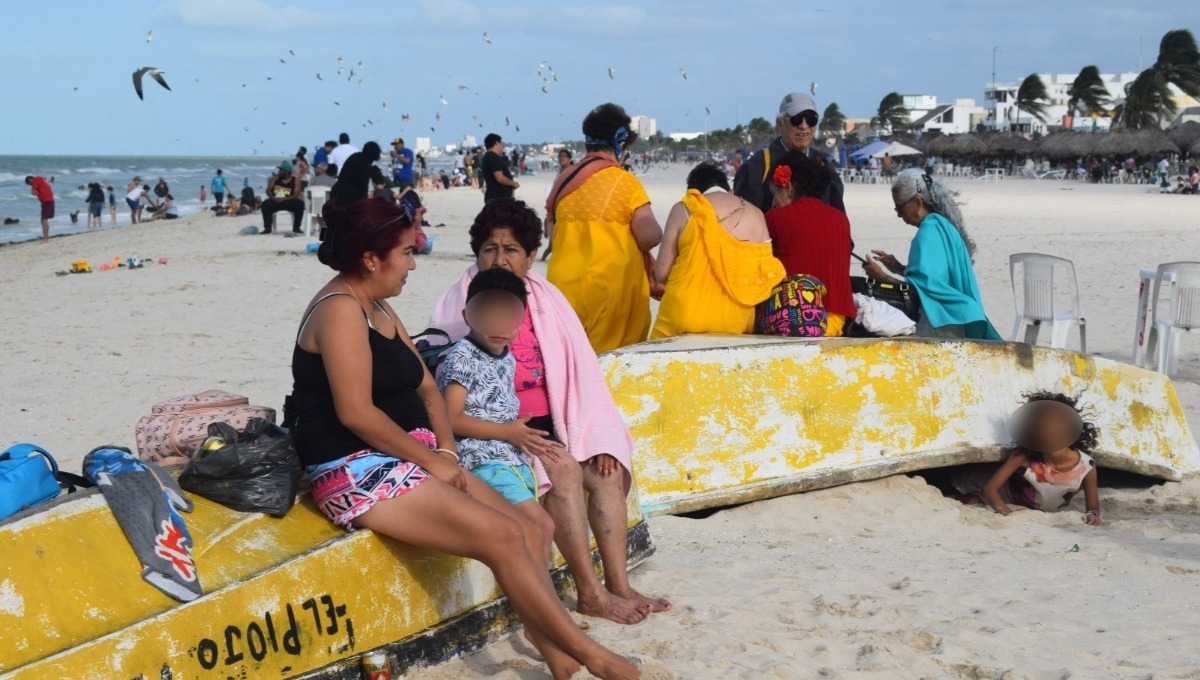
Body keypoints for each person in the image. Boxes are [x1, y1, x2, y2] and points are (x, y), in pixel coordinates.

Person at [290, 198, 640, 680]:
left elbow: (428, 387)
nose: (414, 263)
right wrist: (431, 460)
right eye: (406, 253)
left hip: (405, 454)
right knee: (501, 534)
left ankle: (561, 661)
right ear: (371, 259)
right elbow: (357, 414)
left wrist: (447, 452)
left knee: (530, 528)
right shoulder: (339, 311)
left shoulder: (379, 307)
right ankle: (592, 656)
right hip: (354, 469)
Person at [430, 199, 671, 625]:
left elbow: (581, 373)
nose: (499, 259)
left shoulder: (547, 298)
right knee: (563, 472)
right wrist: (511, 433)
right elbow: (450, 390)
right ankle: (590, 592)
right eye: (489, 249)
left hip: (559, 420)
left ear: (530, 255)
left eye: (511, 250)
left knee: (608, 473)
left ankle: (619, 584)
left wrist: (595, 436)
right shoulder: (461, 302)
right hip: (497, 433)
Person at [435, 267, 557, 562]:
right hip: (482, 461)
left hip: (509, 458)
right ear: (468, 316)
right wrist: (509, 432)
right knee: (539, 526)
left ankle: (536, 597)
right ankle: (539, 601)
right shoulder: (462, 357)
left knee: (534, 528)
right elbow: (449, 419)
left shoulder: (506, 355)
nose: (498, 325)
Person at [543, 103, 663, 353]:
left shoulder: (564, 180)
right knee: (609, 369)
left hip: (563, 289)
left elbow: (552, 233)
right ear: (620, 144)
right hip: (609, 292)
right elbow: (649, 236)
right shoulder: (625, 182)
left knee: (572, 363)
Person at [862, 169, 1001, 340]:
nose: (898, 214)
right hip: (962, 313)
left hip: (945, 318)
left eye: (899, 207)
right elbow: (935, 277)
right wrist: (899, 268)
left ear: (918, 202)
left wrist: (881, 276)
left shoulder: (928, 233)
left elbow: (917, 292)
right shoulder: (941, 224)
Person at [651, 163, 784, 339]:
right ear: (729, 191)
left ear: (693, 193)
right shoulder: (757, 214)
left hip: (683, 315)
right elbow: (765, 274)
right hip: (738, 320)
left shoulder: (686, 207)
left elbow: (662, 273)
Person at [951, 392, 1102, 526]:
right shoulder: (1024, 456)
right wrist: (1008, 514)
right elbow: (990, 489)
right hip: (1011, 497)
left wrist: (1092, 515)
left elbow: (1093, 509)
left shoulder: (1087, 466)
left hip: (1041, 509)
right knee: (970, 498)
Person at [765, 150, 856, 336]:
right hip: (835, 321)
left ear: (788, 188)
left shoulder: (776, 218)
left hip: (795, 318)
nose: (773, 202)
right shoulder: (841, 219)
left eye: (775, 193)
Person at [733, 91, 846, 215]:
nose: (804, 126)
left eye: (811, 120)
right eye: (796, 119)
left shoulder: (823, 164)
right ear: (780, 123)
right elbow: (747, 222)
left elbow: (838, 217)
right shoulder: (758, 166)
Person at [261, 160, 304, 235]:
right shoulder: (276, 178)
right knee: (265, 204)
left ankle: (296, 227)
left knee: (300, 204)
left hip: (289, 200)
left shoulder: (295, 180)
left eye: (281, 170)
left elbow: (295, 195)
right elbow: (268, 190)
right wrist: (273, 198)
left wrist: (284, 199)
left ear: (287, 172)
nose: (279, 171)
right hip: (276, 200)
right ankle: (267, 228)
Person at [481, 134, 519, 203]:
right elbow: (500, 178)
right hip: (499, 199)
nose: (502, 146)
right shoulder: (492, 157)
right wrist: (513, 183)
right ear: (496, 143)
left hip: (496, 197)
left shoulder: (487, 157)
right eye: (501, 144)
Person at [24, 175, 54, 240]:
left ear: (30, 179)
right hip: (49, 200)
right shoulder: (41, 179)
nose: (31, 185)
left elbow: (33, 192)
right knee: (43, 220)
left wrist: (35, 193)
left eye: (30, 183)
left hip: (47, 200)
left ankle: (46, 239)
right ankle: (45, 237)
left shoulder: (35, 180)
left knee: (44, 220)